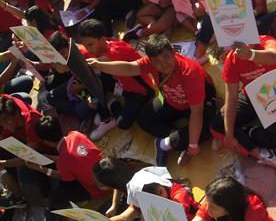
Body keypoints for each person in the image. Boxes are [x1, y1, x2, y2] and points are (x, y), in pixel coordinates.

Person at [87, 34, 216, 166]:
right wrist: (100, 65)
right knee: (144, 120)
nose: (164, 64)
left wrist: (193, 145)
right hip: (171, 99)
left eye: (166, 57)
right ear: (150, 61)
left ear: (173, 51)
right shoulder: (150, 63)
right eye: (157, 61)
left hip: (200, 101)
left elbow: (196, 113)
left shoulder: (189, 73)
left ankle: (169, 142)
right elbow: (130, 67)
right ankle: (173, 140)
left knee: (211, 127)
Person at [210, 36, 276, 171]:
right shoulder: (232, 59)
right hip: (253, 96)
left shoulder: (266, 42)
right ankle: (265, 155)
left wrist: (250, 54)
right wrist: (228, 134)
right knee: (218, 125)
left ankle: (249, 135)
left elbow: (273, 57)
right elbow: (232, 98)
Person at [78, 19, 150, 141]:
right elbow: (78, 53)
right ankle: (105, 117)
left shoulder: (116, 53)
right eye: (85, 45)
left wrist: (98, 64)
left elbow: (107, 61)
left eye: (90, 44)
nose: (87, 49)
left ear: (101, 40)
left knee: (123, 123)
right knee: (92, 81)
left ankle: (112, 105)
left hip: (140, 91)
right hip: (121, 84)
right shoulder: (95, 49)